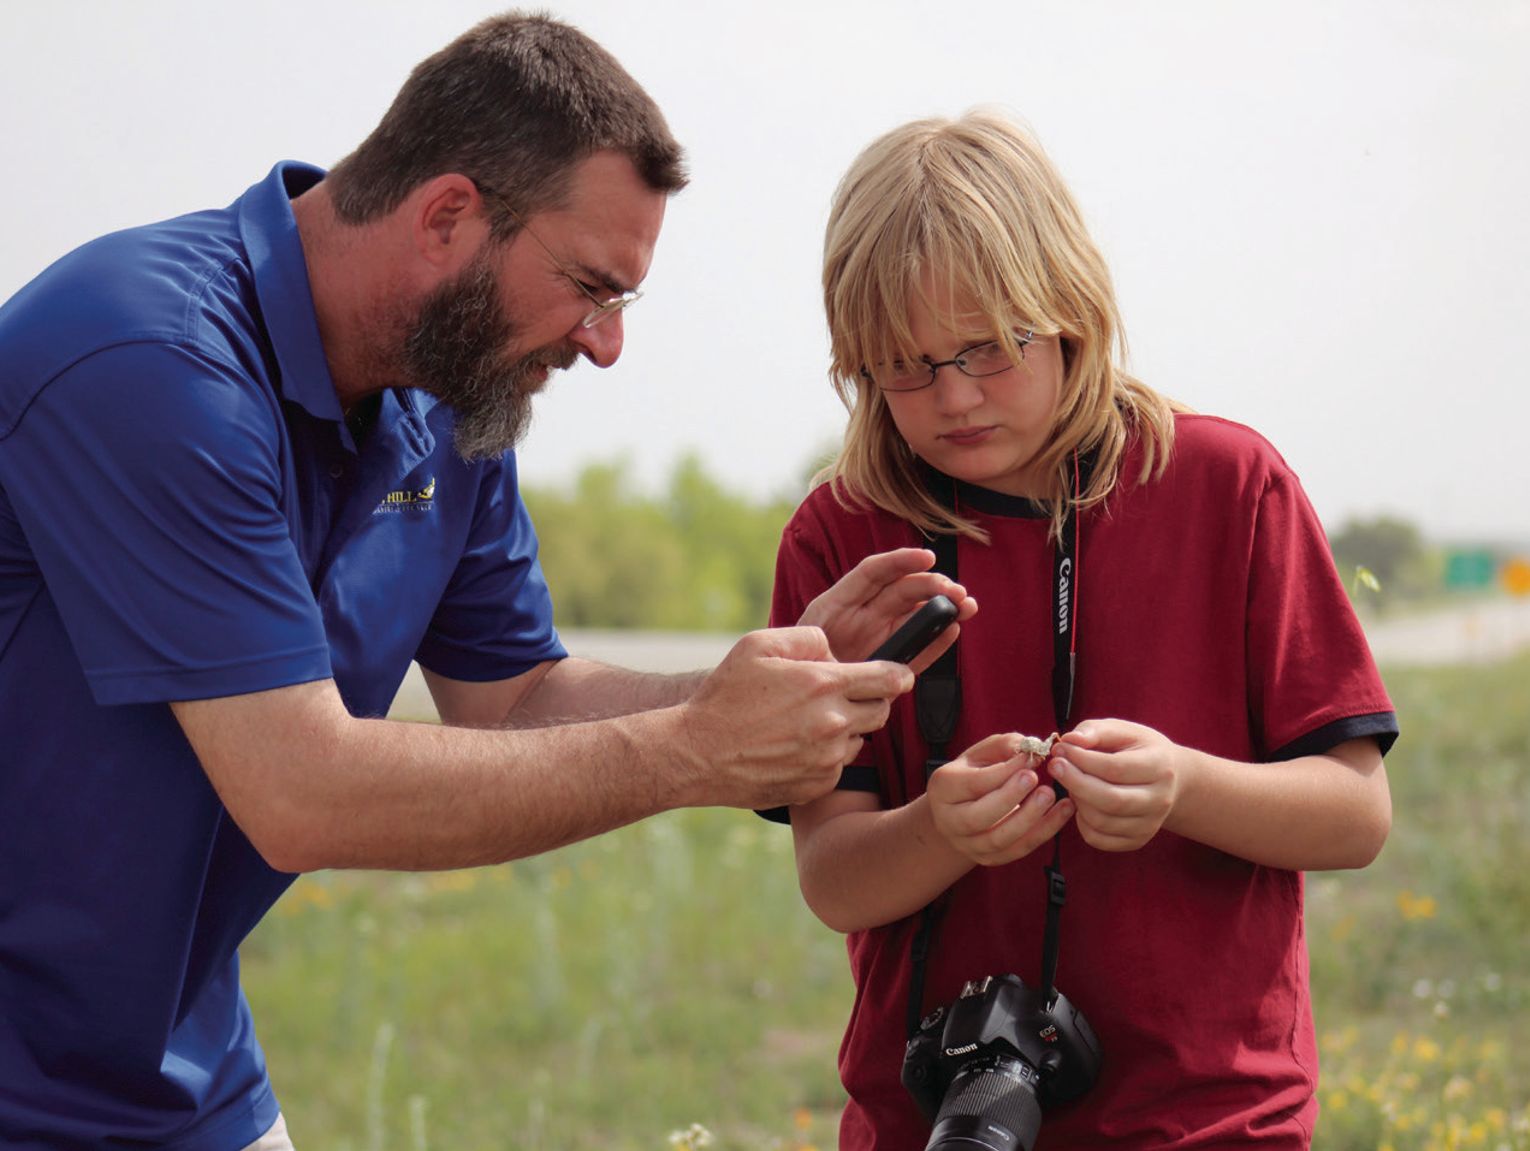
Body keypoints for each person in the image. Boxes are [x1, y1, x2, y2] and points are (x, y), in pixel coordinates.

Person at [0, 14, 971, 1151]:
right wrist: (700, 749)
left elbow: (514, 695)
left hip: (181, 1072)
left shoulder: (447, 405)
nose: (605, 345)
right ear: (447, 215)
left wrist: (760, 682)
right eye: (589, 288)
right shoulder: (148, 360)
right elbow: (301, 788)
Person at [769, 109, 1397, 1150]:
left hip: (1210, 1117)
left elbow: (1355, 814)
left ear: (1068, 308)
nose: (955, 395)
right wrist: (939, 829)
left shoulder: (1227, 484)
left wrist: (1184, 786)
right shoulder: (842, 536)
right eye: (906, 365)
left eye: (989, 347)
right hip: (932, 1115)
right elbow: (834, 876)